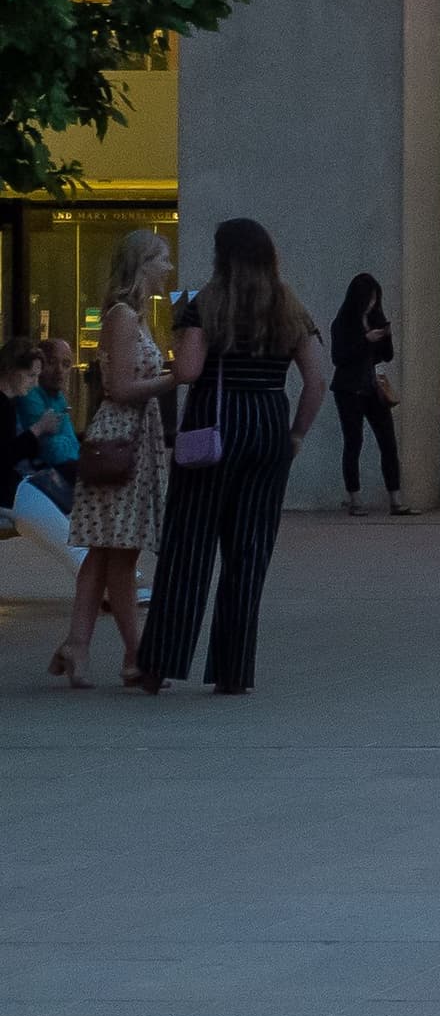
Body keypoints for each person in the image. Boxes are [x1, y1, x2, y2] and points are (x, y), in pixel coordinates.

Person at [139, 217, 330, 696]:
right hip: (268, 425)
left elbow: (188, 371)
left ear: (223, 256)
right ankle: (233, 669)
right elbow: (315, 381)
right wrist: (296, 435)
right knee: (249, 552)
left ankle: (161, 661)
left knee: (190, 546)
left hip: (215, 423)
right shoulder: (289, 306)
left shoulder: (207, 301)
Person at [58, 230, 176, 688]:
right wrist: (174, 379)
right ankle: (136, 655)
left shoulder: (134, 316)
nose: (168, 268)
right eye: (162, 259)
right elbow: (121, 389)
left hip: (129, 440)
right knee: (121, 555)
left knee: (106, 552)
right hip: (122, 442)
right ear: (143, 264)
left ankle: (79, 646)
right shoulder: (125, 316)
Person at [326, 274, 408, 517]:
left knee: (388, 441)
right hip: (349, 389)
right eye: (369, 298)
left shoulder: (375, 319)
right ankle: (355, 498)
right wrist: (364, 340)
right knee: (354, 441)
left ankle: (395, 497)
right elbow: (339, 357)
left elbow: (386, 356)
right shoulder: (342, 324)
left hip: (374, 388)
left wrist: (386, 336)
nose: (373, 303)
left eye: (375, 298)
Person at [6, 337, 82, 573]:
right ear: (12, 371)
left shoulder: (14, 403)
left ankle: (108, 579)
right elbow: (9, 454)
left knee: (67, 538)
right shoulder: (15, 403)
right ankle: (108, 580)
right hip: (16, 489)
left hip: (16, 488)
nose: (34, 383)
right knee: (67, 540)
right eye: (31, 376)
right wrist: (39, 429)